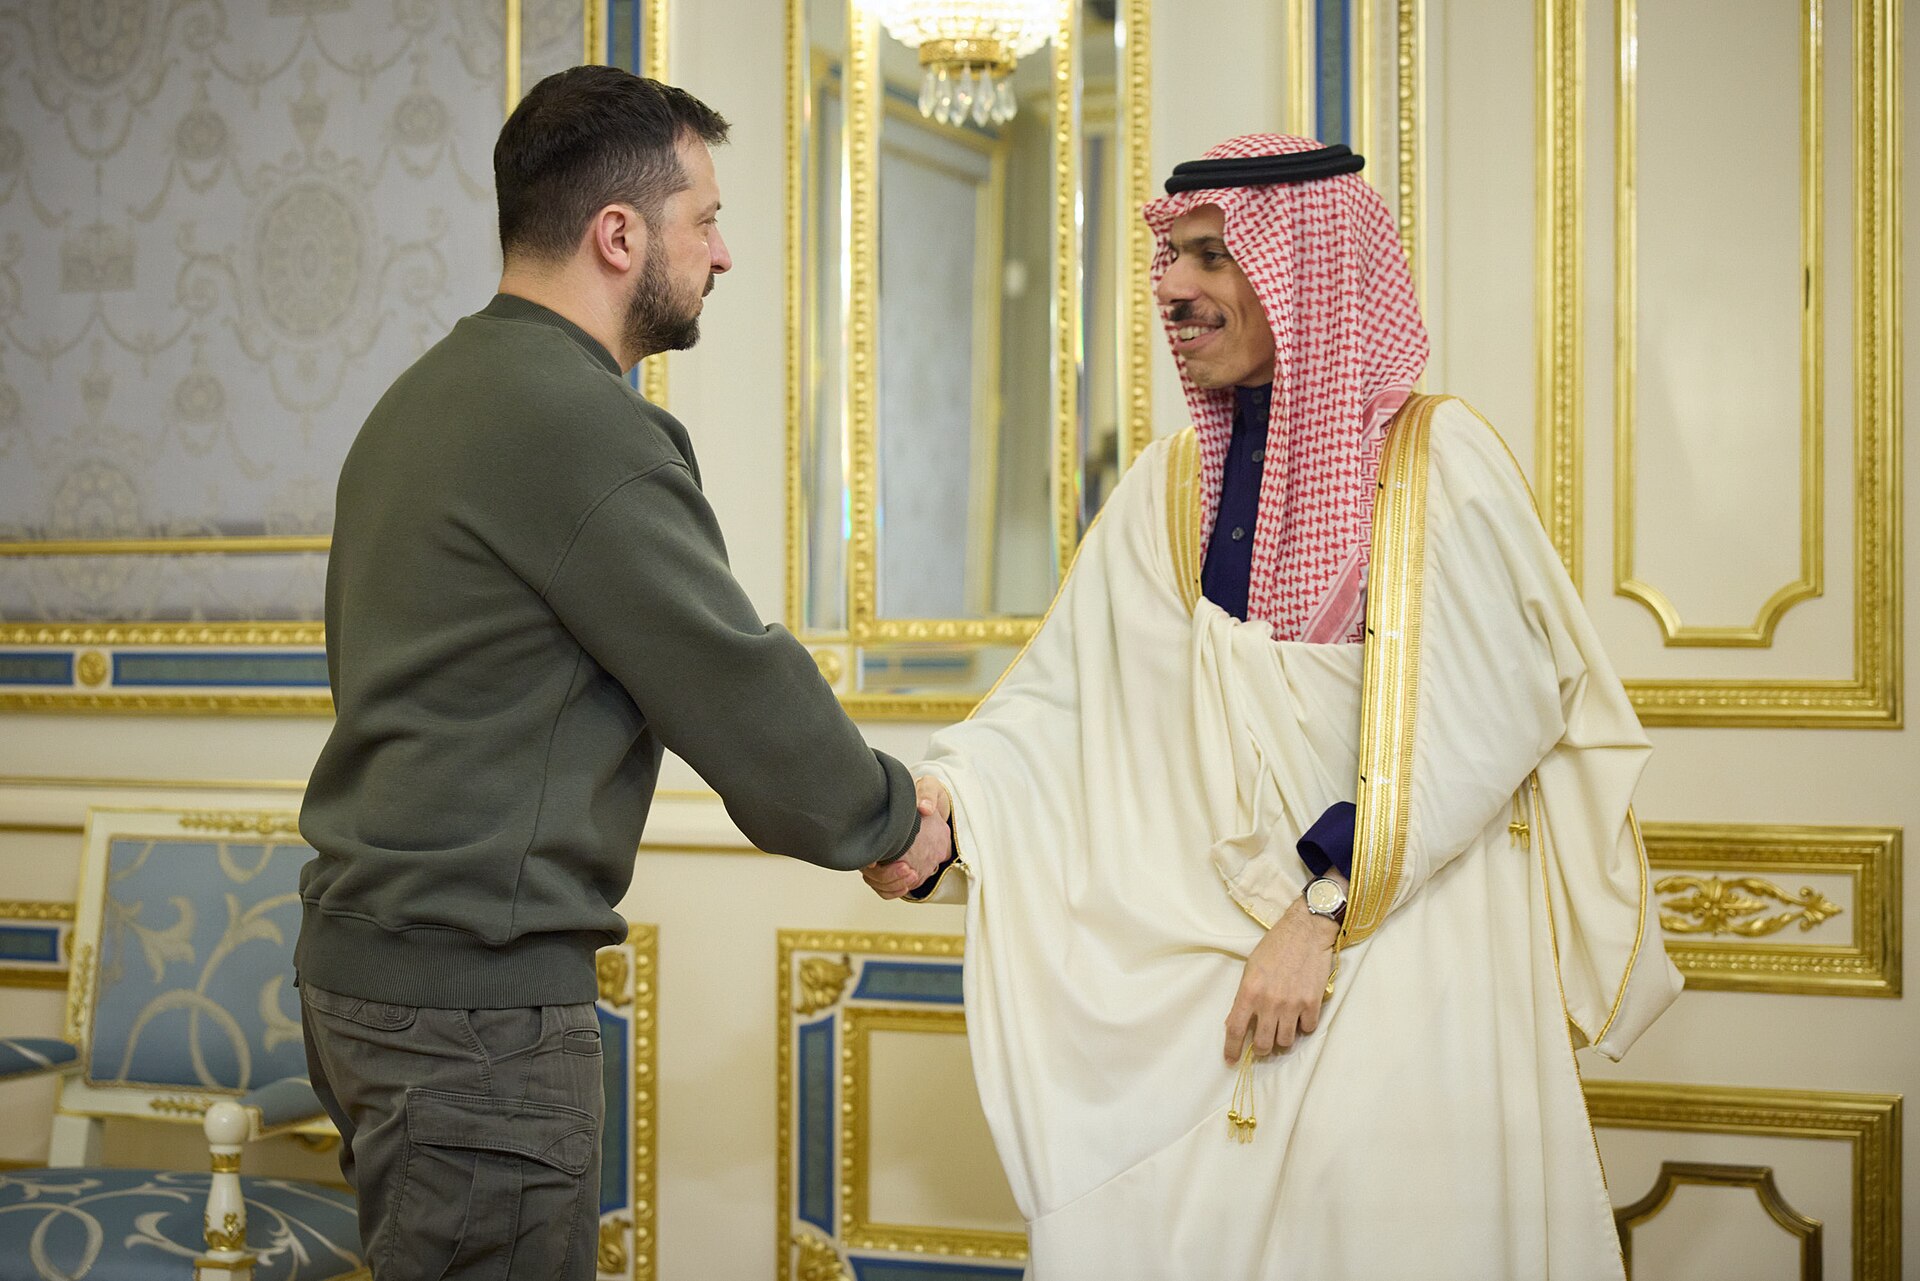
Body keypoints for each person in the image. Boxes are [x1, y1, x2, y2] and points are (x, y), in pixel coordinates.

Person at [867, 134, 1681, 1280]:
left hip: (1408, 947)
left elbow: (1488, 714)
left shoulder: (1439, 464)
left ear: (1306, 273)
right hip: (1234, 969)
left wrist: (1320, 910)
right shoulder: (1168, 485)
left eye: (1211, 256)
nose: (1172, 288)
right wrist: (951, 804)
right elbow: (1066, 703)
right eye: (1168, 258)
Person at [296, 66, 950, 1280]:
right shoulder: (580, 423)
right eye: (705, 218)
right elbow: (726, 678)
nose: (725, 254)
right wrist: (897, 818)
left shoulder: (419, 401)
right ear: (618, 235)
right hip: (473, 1010)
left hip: (363, 976)